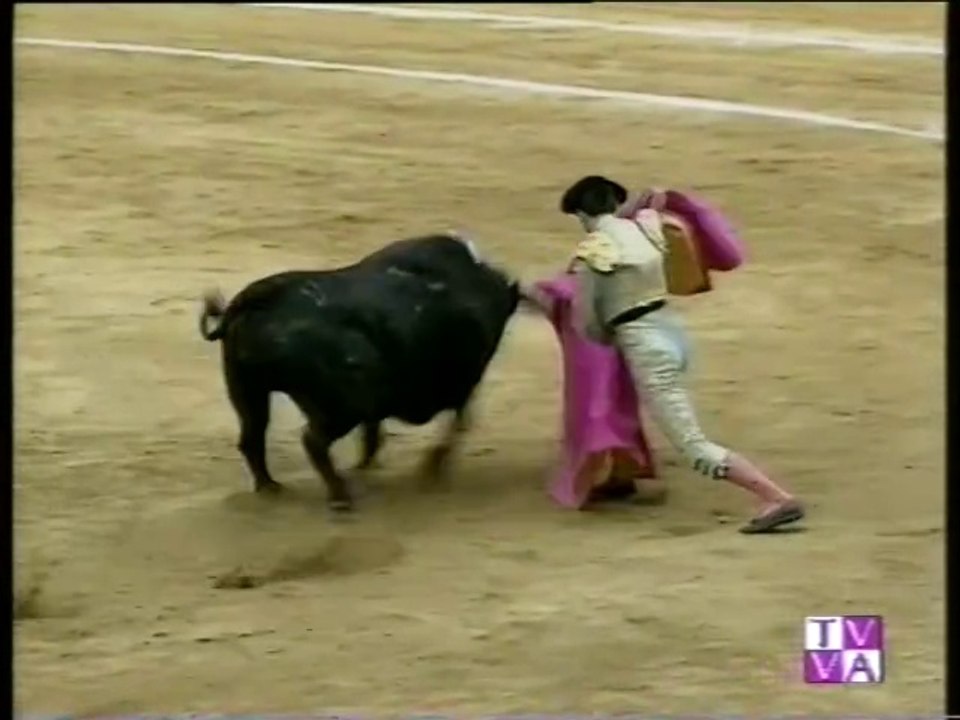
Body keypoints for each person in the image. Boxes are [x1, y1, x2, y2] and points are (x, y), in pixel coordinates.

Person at [554, 175, 804, 533]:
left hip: (646, 346)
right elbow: (651, 207)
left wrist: (606, 334)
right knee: (676, 412)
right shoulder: (647, 227)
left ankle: (776, 498)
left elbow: (590, 323)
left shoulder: (594, 251)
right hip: (674, 334)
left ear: (580, 214)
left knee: (694, 446)